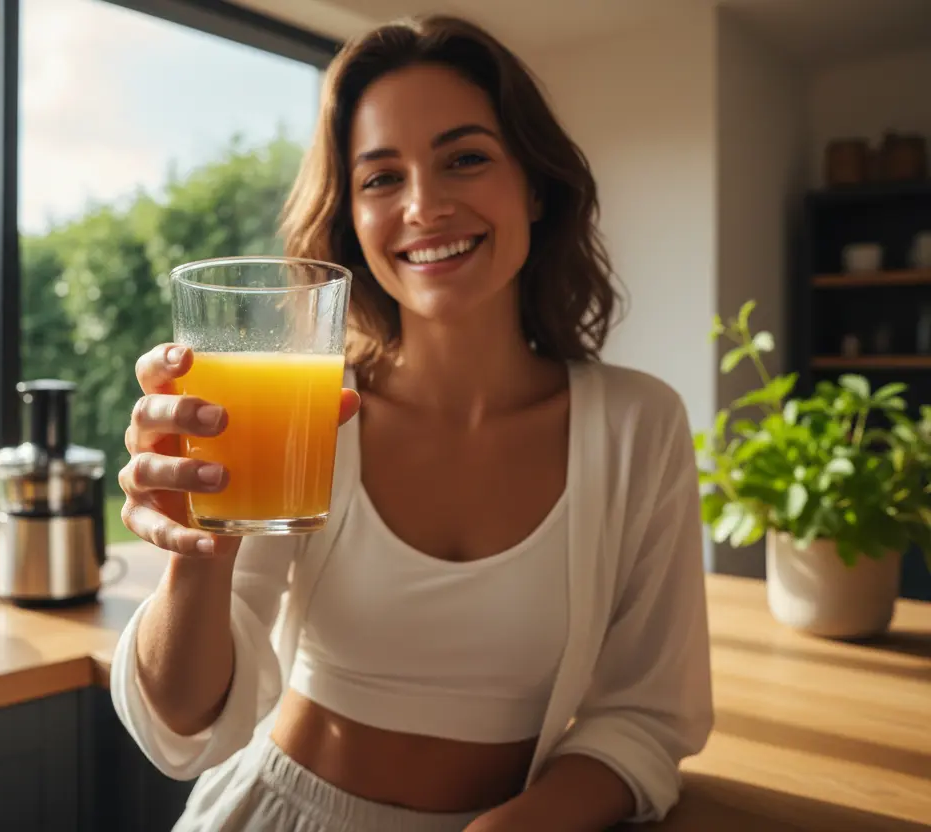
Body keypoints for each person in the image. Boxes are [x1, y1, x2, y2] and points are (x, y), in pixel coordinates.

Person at [110, 13, 713, 832]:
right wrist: (197, 551)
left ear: (533, 185)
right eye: (381, 178)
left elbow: (648, 719)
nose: (425, 206)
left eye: (465, 158)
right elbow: (181, 731)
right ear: (352, 220)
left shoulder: (639, 427)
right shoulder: (306, 411)